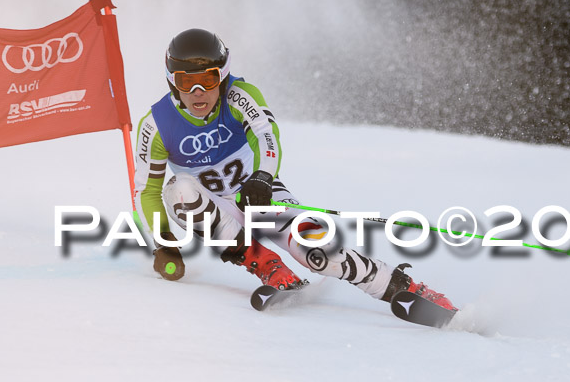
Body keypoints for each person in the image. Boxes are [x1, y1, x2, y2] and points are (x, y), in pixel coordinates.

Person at [134, 28, 457, 312]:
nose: (197, 92)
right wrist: (164, 244)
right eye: (186, 81)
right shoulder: (156, 125)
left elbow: (266, 136)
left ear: (223, 75)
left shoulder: (240, 95)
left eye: (208, 79)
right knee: (179, 189)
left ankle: (407, 288)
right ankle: (270, 269)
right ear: (172, 82)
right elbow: (147, 191)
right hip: (212, 207)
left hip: (259, 194)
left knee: (317, 254)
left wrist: (262, 177)